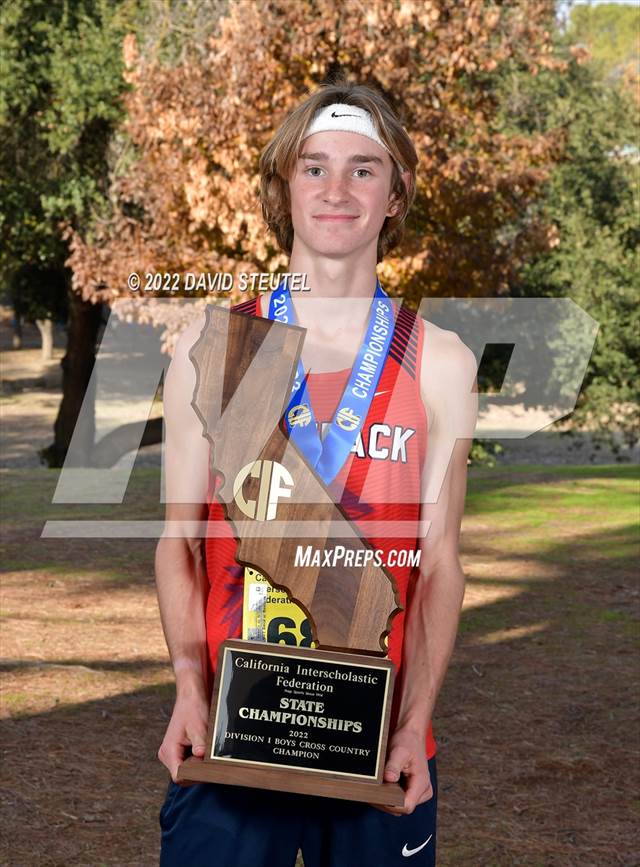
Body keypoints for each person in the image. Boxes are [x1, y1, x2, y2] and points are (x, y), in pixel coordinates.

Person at [155, 80, 478, 867]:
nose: (337, 190)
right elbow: (177, 545)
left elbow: (439, 563)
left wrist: (412, 724)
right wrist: (190, 691)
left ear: (396, 192)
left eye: (364, 169)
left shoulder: (441, 361)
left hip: (379, 746)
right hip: (233, 732)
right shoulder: (212, 351)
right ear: (284, 186)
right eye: (314, 167)